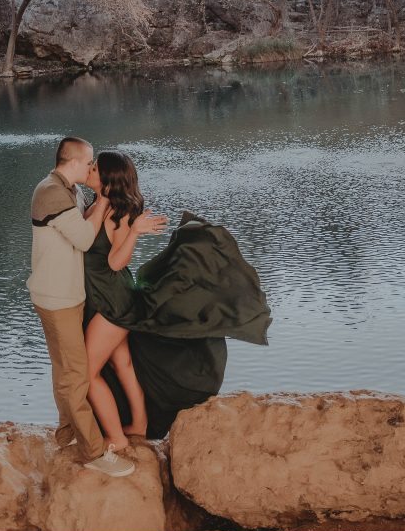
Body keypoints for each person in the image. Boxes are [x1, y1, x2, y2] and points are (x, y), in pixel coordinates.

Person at [83, 150, 271, 445]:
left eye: (94, 167)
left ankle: (117, 438)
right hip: (105, 297)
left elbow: (116, 263)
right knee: (123, 364)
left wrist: (133, 232)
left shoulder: (118, 216)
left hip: (112, 303)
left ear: (107, 178)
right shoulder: (98, 204)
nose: (89, 169)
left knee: (86, 372)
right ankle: (140, 424)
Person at [27, 136, 134, 477]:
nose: (92, 169)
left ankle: (66, 433)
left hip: (64, 295)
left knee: (64, 370)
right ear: (74, 162)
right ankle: (94, 452)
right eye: (89, 163)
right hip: (58, 298)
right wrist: (103, 200)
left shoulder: (68, 189)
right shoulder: (52, 193)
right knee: (76, 376)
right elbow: (86, 240)